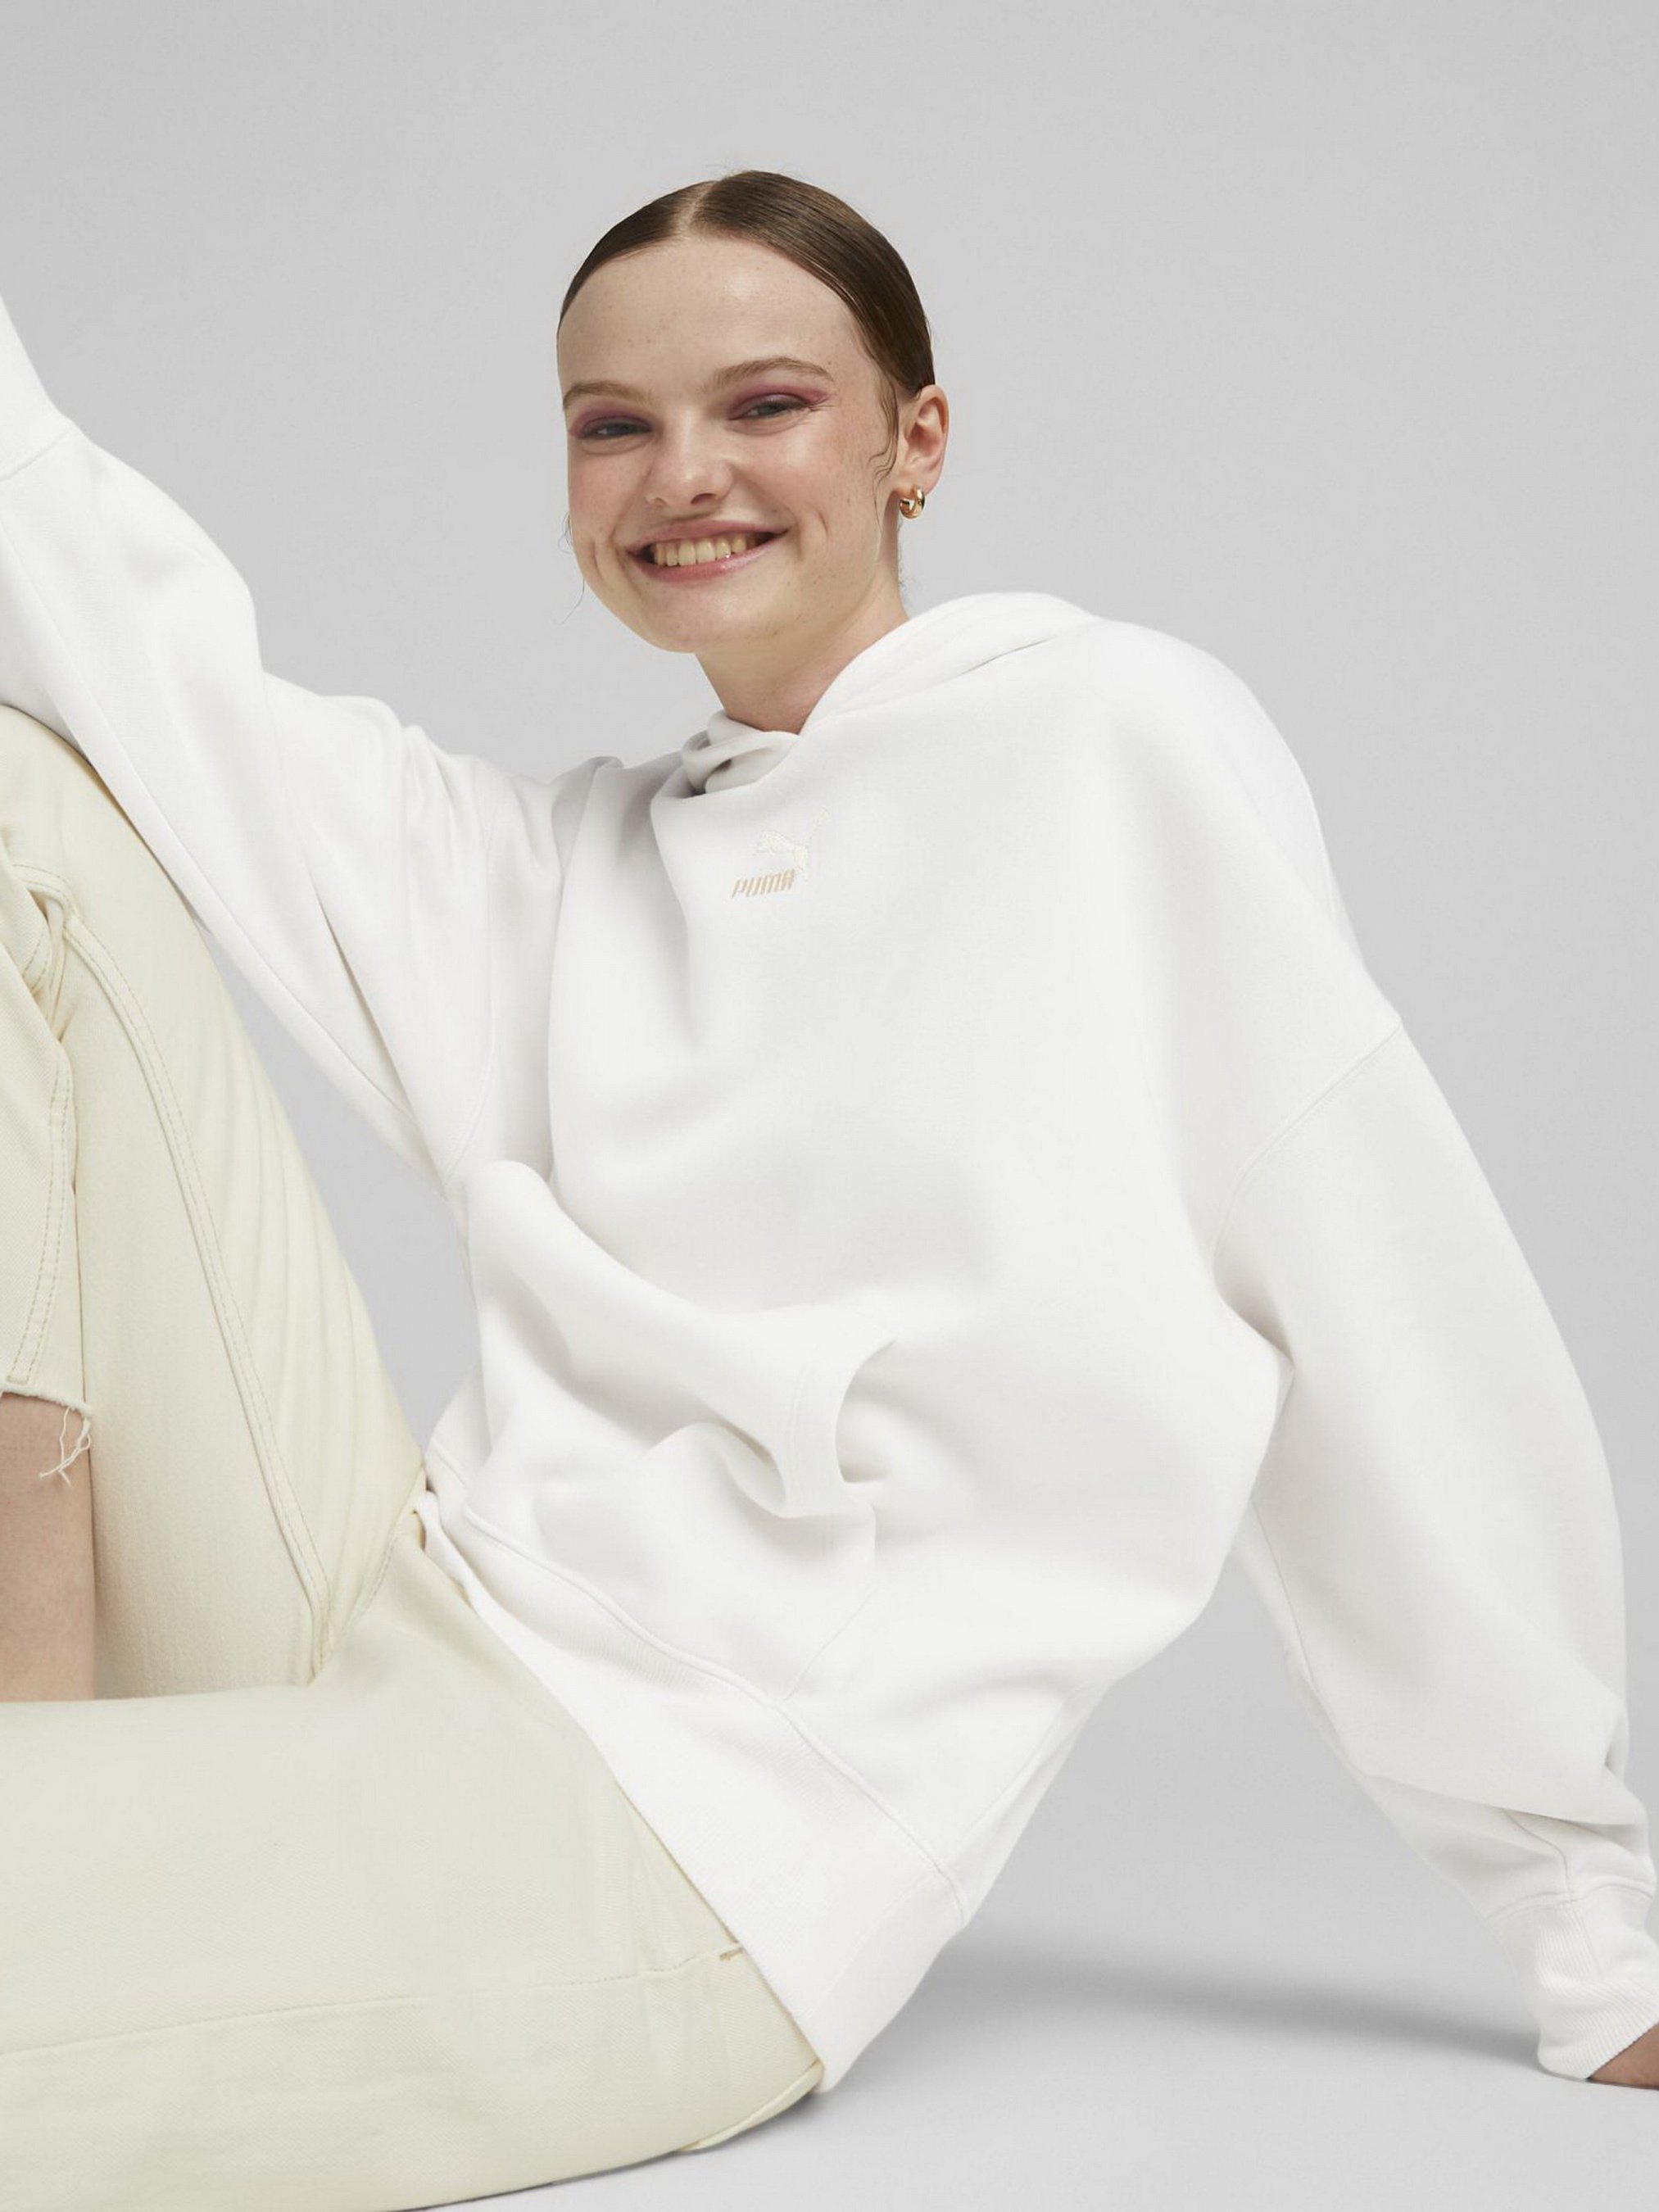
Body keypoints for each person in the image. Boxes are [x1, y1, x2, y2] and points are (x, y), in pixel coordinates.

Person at [2, 167, 1658, 2206]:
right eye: (613, 424)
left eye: (764, 404)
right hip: (400, 1614)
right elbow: (104, 610)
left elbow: (1377, 1298)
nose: (681, 475)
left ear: (912, 443)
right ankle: (44, 1751)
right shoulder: (563, 874)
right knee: (21, 803)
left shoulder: (1107, 751)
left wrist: (1582, 1920)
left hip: (676, 1834)